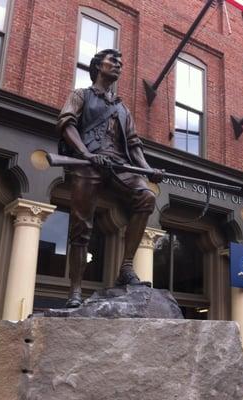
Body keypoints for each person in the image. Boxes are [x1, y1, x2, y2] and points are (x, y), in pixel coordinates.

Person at [56, 49, 162, 307]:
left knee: (145, 196)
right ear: (97, 66)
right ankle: (76, 290)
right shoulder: (80, 95)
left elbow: (134, 144)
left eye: (121, 64)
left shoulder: (122, 108)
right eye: (113, 61)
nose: (118, 66)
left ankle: (126, 268)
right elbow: (66, 124)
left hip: (119, 164)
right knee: (82, 227)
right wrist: (86, 154)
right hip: (89, 163)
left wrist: (147, 169)